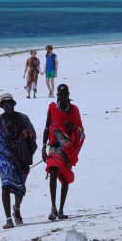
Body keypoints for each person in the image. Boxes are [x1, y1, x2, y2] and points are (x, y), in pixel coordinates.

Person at [0, 93, 37, 229]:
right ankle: (8, 219)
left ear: (14, 105)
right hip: (4, 156)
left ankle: (16, 208)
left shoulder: (22, 118)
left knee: (20, 189)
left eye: (11, 104)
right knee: (5, 185)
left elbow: (32, 136)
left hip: (21, 158)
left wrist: (26, 139)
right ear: (2, 107)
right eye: (6, 105)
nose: (9, 107)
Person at [41, 84, 85, 221]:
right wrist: (43, 147)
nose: (63, 97)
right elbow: (47, 127)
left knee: (65, 178)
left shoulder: (74, 110)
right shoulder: (52, 108)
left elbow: (81, 131)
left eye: (65, 95)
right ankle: (53, 208)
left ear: (68, 95)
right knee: (53, 172)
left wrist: (72, 127)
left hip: (68, 148)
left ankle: (61, 210)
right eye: (60, 95)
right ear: (58, 96)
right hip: (54, 145)